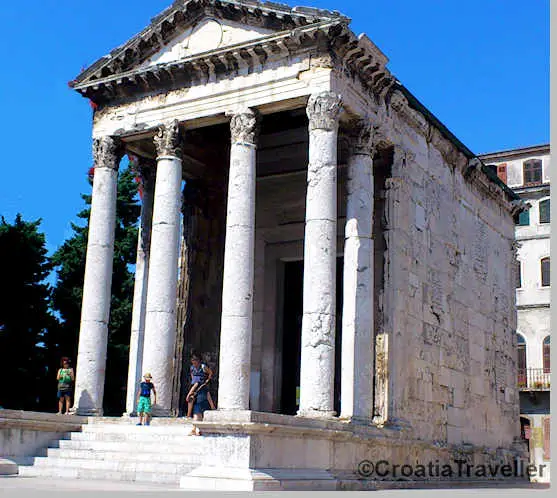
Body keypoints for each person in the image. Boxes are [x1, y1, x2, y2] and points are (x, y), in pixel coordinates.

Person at [186, 354, 216, 433]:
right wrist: (193, 381)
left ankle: (194, 427)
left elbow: (210, 372)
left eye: (194, 360)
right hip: (196, 385)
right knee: (197, 409)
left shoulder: (203, 367)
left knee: (197, 409)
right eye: (192, 361)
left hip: (200, 384)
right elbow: (192, 376)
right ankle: (190, 418)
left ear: (198, 361)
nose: (193, 362)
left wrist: (207, 379)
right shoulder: (192, 368)